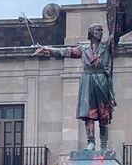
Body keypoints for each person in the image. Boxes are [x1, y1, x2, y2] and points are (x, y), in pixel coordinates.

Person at [34, 24, 118, 152]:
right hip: (88, 81)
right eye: (98, 31)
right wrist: (46, 50)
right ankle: (91, 143)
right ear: (91, 33)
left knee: (104, 115)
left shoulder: (106, 46)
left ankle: (104, 145)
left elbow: (115, 38)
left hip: (102, 81)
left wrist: (115, 27)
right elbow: (66, 52)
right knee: (89, 114)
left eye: (101, 31)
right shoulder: (83, 49)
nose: (100, 33)